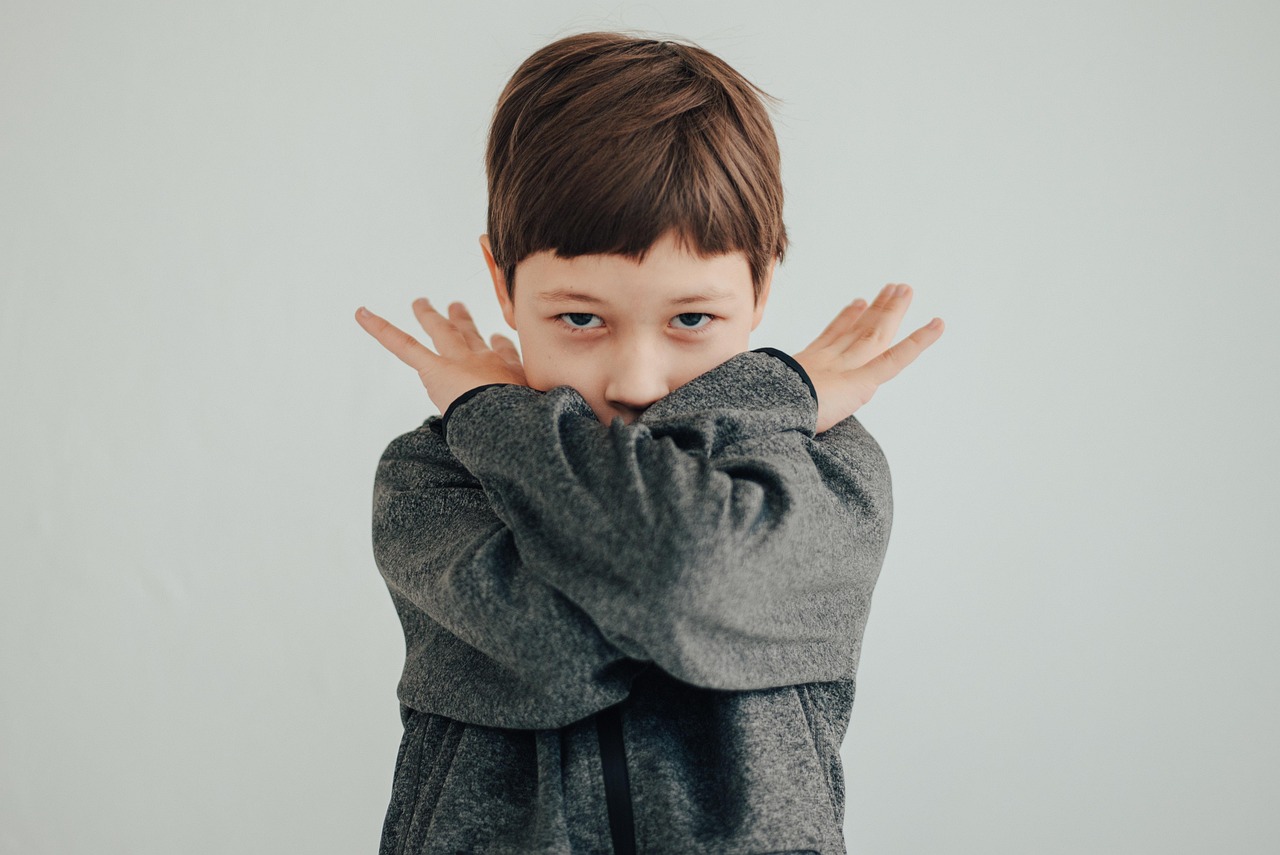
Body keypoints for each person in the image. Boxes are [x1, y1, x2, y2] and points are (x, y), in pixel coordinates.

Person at [354, 30, 943, 854]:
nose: (637, 379)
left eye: (691, 319)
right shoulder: (441, 471)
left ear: (761, 286)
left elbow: (677, 578)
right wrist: (487, 422)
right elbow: (553, 654)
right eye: (581, 318)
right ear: (502, 282)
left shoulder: (828, 470)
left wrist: (494, 407)